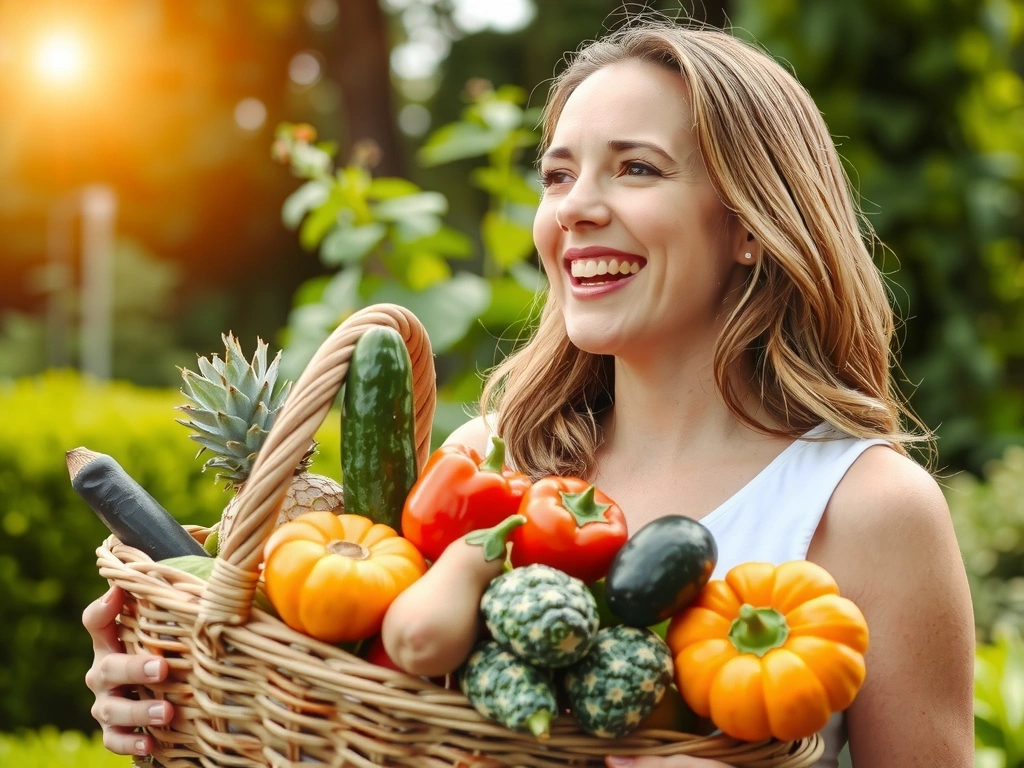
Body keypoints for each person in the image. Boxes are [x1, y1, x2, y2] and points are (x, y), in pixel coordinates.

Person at [82, 20, 975, 768]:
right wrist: (178, 696)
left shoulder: (869, 510)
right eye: (558, 174)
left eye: (636, 168)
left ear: (749, 225)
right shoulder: (490, 463)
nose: (574, 209)